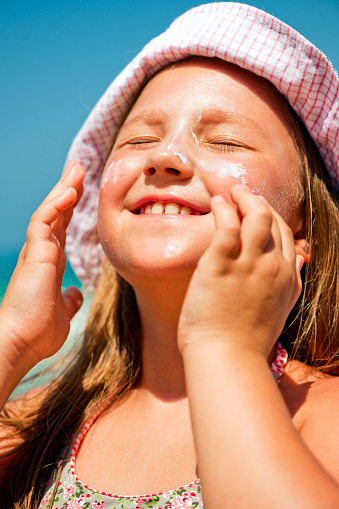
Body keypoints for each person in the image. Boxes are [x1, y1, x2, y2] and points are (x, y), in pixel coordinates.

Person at [1, 2, 339, 508]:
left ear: (303, 226)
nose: (165, 157)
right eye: (140, 139)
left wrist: (223, 348)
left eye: (225, 141)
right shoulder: (37, 425)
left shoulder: (320, 416)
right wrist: (12, 341)